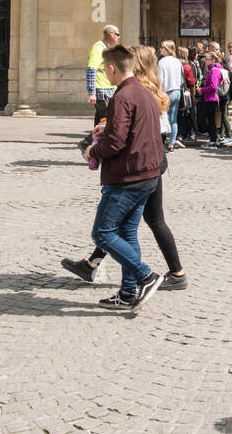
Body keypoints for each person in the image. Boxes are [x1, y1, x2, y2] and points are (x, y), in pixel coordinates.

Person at [64, 45, 188, 291]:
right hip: (150, 162)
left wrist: (97, 148)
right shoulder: (145, 91)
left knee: (145, 221)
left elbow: (127, 136)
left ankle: (169, 274)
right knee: (126, 226)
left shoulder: (135, 93)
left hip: (142, 163)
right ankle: (100, 270)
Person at [80, 44, 166, 310]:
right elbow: (135, 133)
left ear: (112, 68)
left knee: (103, 233)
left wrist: (93, 150)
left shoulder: (122, 96)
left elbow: (116, 143)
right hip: (148, 174)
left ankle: (145, 276)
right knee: (127, 233)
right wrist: (107, 132)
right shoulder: (145, 92)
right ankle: (128, 293)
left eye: (106, 69)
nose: (106, 73)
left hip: (127, 177)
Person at [86, 25, 121, 126]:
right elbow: (91, 70)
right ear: (111, 35)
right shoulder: (98, 47)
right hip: (101, 90)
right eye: (117, 35)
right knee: (104, 119)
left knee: (101, 118)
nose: (119, 37)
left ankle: (95, 139)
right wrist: (91, 93)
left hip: (109, 88)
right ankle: (96, 139)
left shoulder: (107, 48)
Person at [158, 40, 184, 150]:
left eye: (162, 47)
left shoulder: (162, 62)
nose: (160, 49)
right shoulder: (177, 61)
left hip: (166, 91)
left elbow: (160, 79)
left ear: (167, 49)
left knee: (161, 118)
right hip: (177, 90)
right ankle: (172, 143)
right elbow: (182, 79)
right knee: (173, 119)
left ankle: (161, 141)